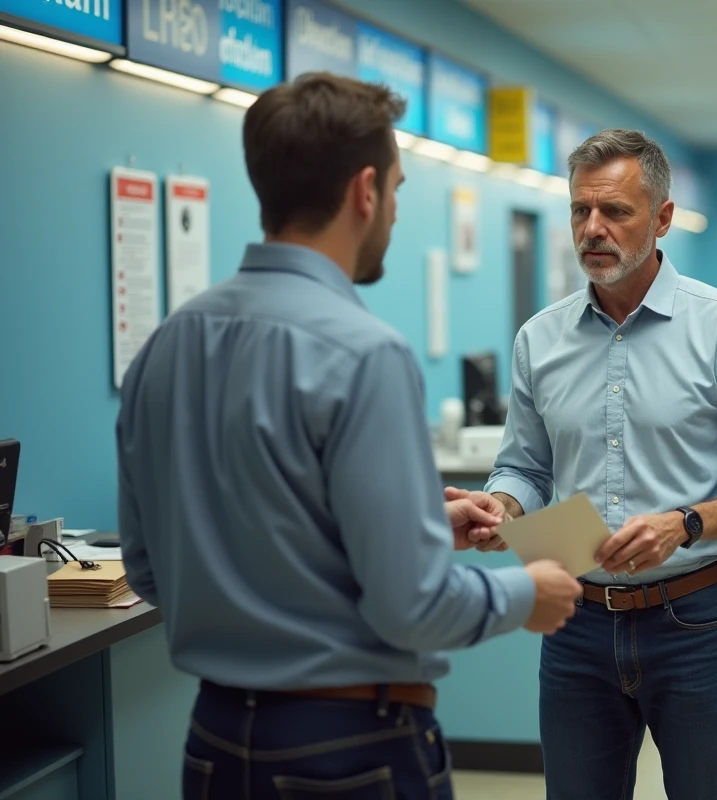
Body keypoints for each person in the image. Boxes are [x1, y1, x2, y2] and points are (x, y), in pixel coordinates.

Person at [114, 72, 582, 800]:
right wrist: (528, 593)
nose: (394, 210)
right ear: (366, 191)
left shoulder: (167, 346)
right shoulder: (366, 354)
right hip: (348, 752)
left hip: (213, 744)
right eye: (396, 188)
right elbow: (412, 607)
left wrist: (421, 527)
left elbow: (150, 571)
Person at [475, 129, 717, 800]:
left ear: (661, 218)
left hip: (692, 621)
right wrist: (503, 505)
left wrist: (682, 523)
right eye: (580, 211)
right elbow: (524, 467)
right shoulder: (539, 339)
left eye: (616, 212)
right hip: (576, 623)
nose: (593, 229)